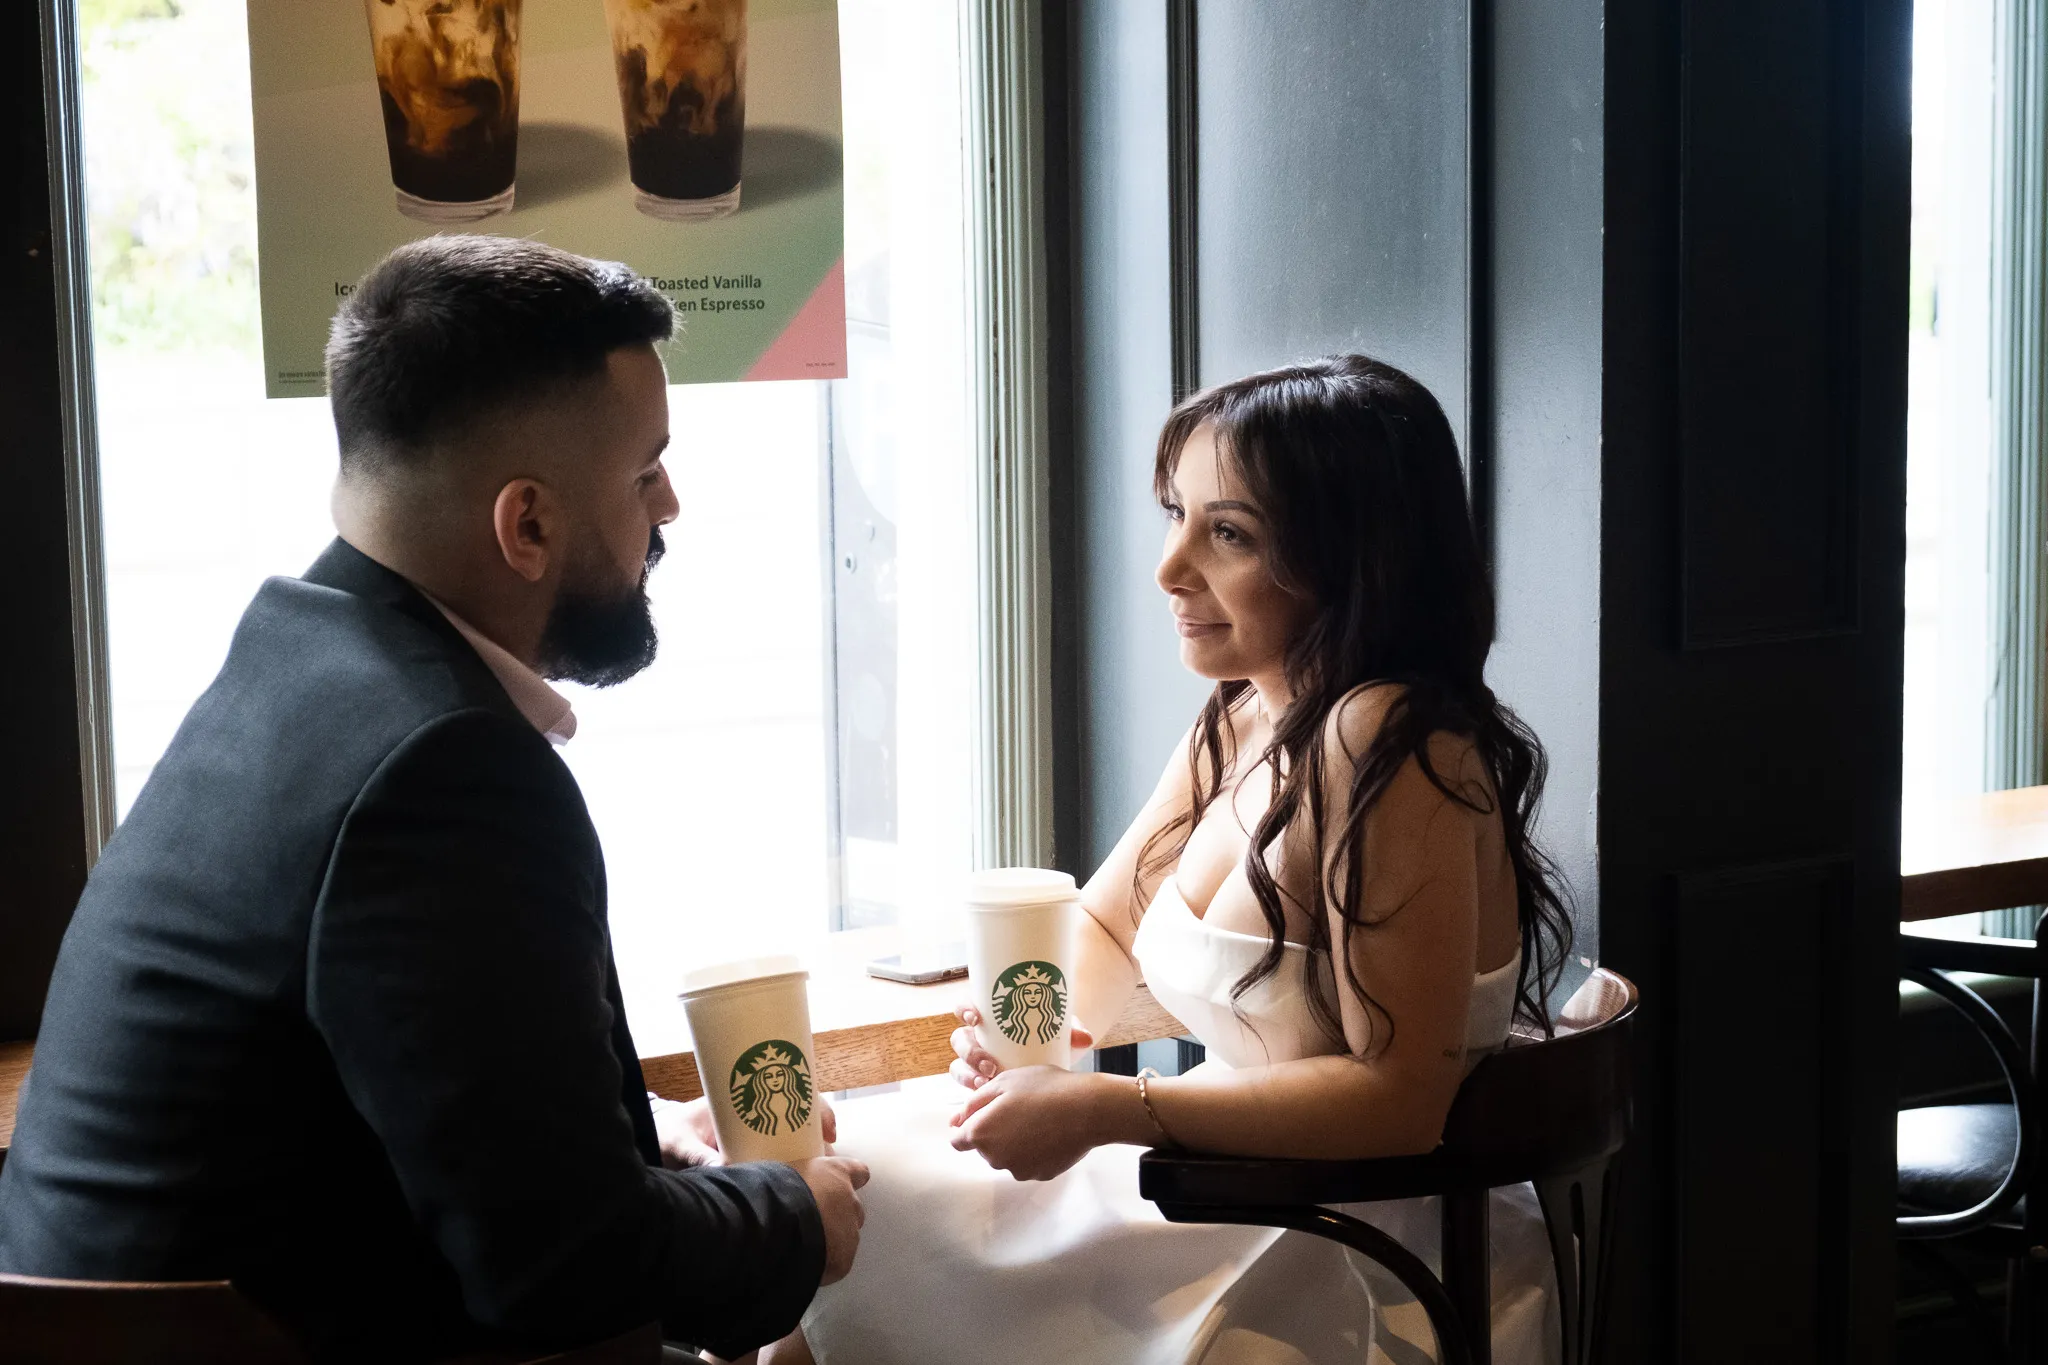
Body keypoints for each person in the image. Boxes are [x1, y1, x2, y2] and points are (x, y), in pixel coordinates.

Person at [0, 235, 868, 1364]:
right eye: (645, 468)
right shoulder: (444, 767)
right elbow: (568, 1272)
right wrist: (800, 1215)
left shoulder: (294, 662)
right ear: (529, 524)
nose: (672, 506)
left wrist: (631, 1144)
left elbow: (398, 1118)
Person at [792, 355, 1574, 1365]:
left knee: (859, 1222)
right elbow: (1108, 920)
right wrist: (1031, 1036)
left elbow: (1398, 1102)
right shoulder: (1249, 713)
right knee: (843, 1180)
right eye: (1176, 515)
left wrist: (1106, 1107)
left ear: (1346, 556)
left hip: (1353, 1252)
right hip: (1230, 1188)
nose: (1169, 567)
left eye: (1228, 534)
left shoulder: (1393, 747)